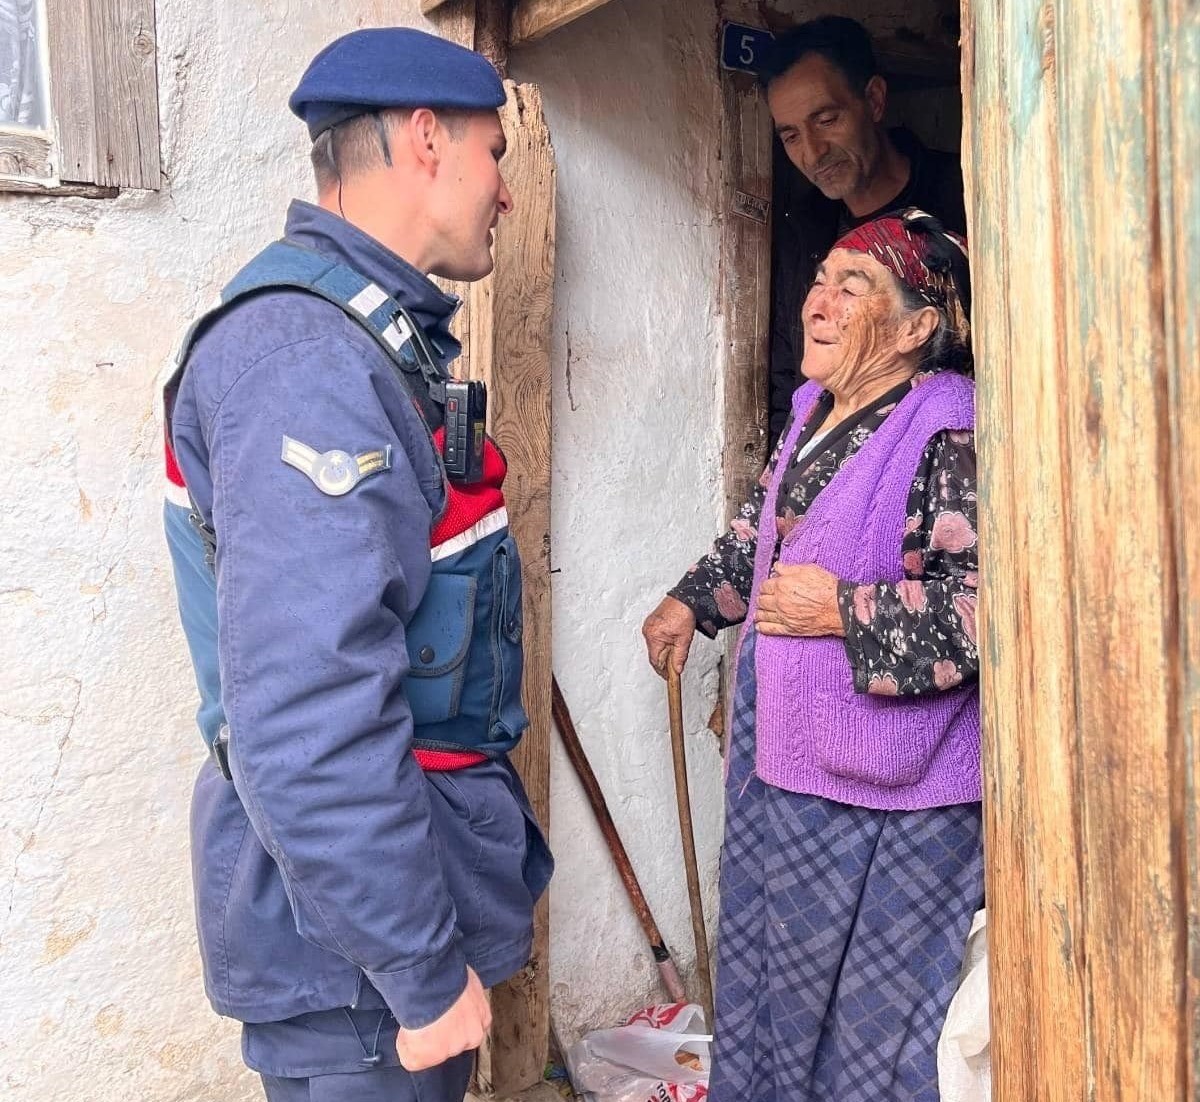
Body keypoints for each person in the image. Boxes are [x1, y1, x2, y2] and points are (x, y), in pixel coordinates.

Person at [161, 27, 552, 1102]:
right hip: (355, 978)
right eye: (495, 155)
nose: (504, 194)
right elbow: (310, 716)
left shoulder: (364, 342)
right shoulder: (309, 364)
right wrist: (423, 978)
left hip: (371, 948)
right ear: (426, 140)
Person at [642, 209, 981, 1102]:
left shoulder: (949, 429)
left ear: (917, 329)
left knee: (871, 1029)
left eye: (853, 285)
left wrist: (841, 610)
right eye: (820, 279)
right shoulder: (816, 414)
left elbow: (987, 613)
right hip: (791, 766)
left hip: (895, 796)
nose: (817, 302)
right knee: (768, 992)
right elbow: (761, 537)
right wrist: (694, 601)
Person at [765, 16, 967, 446]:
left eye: (825, 119)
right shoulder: (805, 232)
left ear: (874, 100)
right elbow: (789, 378)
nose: (812, 152)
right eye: (791, 135)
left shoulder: (967, 199)